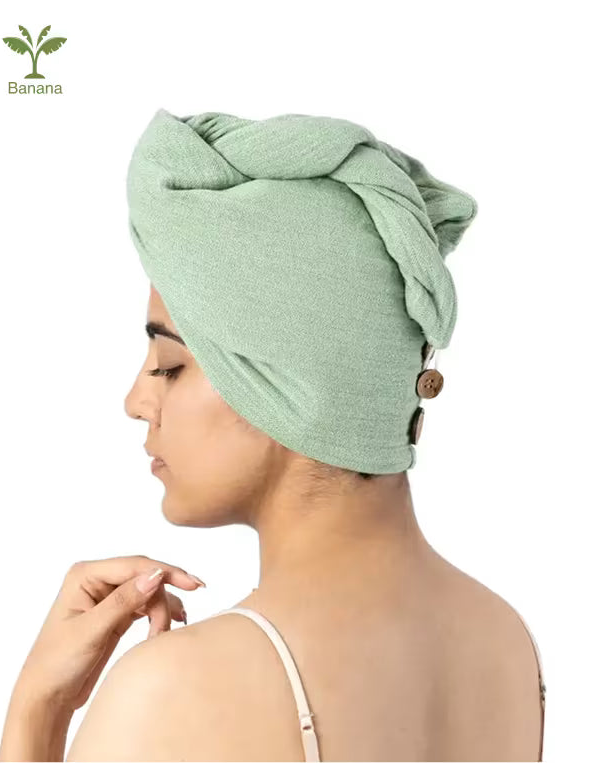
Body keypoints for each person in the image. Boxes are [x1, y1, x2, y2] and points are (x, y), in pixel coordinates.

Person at [67, 109, 545, 761]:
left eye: (170, 366)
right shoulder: (507, 638)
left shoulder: (173, 686)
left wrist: (39, 707)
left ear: (290, 386)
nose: (136, 402)